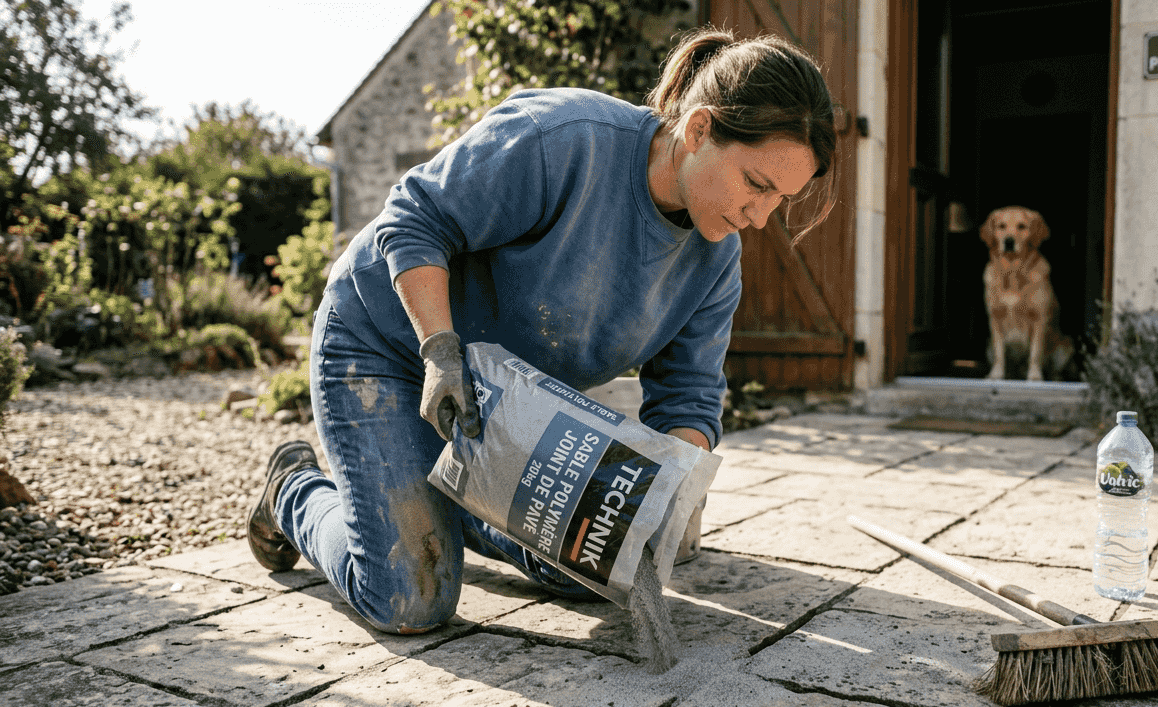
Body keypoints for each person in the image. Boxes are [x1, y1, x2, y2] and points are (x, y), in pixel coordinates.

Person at [246, 26, 839, 635]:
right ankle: (293, 489)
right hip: (387, 344)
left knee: (597, 561)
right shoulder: (564, 138)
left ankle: (447, 497)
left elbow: (688, 394)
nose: (760, 218)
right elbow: (414, 218)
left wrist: (667, 498)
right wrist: (441, 352)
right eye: (757, 184)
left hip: (499, 398)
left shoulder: (715, 260)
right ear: (700, 129)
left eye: (780, 199)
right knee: (411, 598)